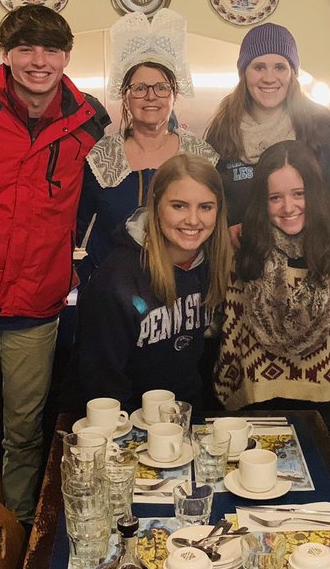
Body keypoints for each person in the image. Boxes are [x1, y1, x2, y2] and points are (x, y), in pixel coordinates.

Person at [0, 4, 108, 524]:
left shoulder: (89, 121)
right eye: (26, 49)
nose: (39, 61)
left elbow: (101, 199)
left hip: (39, 302)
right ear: (6, 54)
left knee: (26, 430)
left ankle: (17, 530)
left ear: (66, 56)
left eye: (51, 50)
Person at [213, 140, 330, 447]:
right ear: (261, 201)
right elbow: (232, 333)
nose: (289, 207)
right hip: (260, 402)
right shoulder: (243, 252)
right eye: (275, 197)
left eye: (299, 193)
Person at [76, 154, 231, 413]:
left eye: (205, 207)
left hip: (185, 422)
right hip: (125, 428)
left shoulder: (211, 265)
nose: (193, 220)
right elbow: (102, 386)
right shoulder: (116, 280)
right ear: (156, 206)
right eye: (179, 206)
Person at [77, 8, 218, 283]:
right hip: (113, 295)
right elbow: (75, 229)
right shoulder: (101, 158)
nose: (150, 97)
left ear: (174, 95)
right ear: (125, 97)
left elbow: (214, 232)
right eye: (139, 88)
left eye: (161, 87)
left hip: (183, 293)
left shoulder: (202, 157)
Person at [204, 23, 330, 239]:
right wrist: (225, 229)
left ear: (292, 73)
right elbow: (210, 200)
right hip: (243, 262)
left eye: (279, 67)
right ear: (244, 74)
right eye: (258, 67)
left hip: (308, 257)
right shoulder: (222, 130)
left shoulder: (319, 125)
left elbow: (329, 198)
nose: (268, 78)